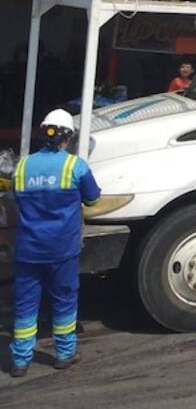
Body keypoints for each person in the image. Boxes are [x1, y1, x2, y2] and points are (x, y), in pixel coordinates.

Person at [9, 109, 101, 377]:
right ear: (68, 137)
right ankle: (64, 354)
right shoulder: (75, 166)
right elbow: (93, 199)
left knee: (25, 304)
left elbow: (14, 198)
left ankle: (20, 360)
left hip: (28, 249)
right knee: (64, 301)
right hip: (62, 249)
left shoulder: (22, 166)